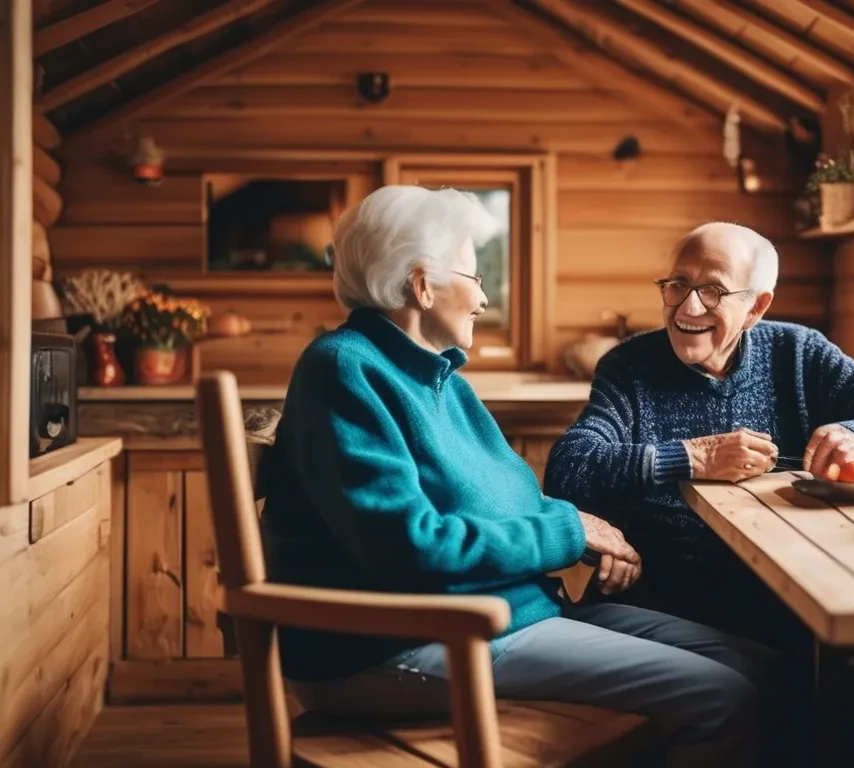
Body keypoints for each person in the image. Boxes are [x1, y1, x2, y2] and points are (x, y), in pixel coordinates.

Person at [259, 187, 778, 767]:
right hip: (402, 643)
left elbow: (509, 504)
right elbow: (409, 544)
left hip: (513, 612)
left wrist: (584, 536)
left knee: (760, 667)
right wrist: (567, 531)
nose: (482, 298)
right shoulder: (344, 368)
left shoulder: (441, 378)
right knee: (719, 696)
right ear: (422, 285)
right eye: (474, 276)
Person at [543, 221, 854, 648]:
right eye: (678, 283)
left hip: (791, 591)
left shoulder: (798, 353)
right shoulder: (630, 366)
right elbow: (570, 467)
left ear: (756, 308)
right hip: (668, 597)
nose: (687, 308)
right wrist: (691, 458)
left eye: (713, 291)